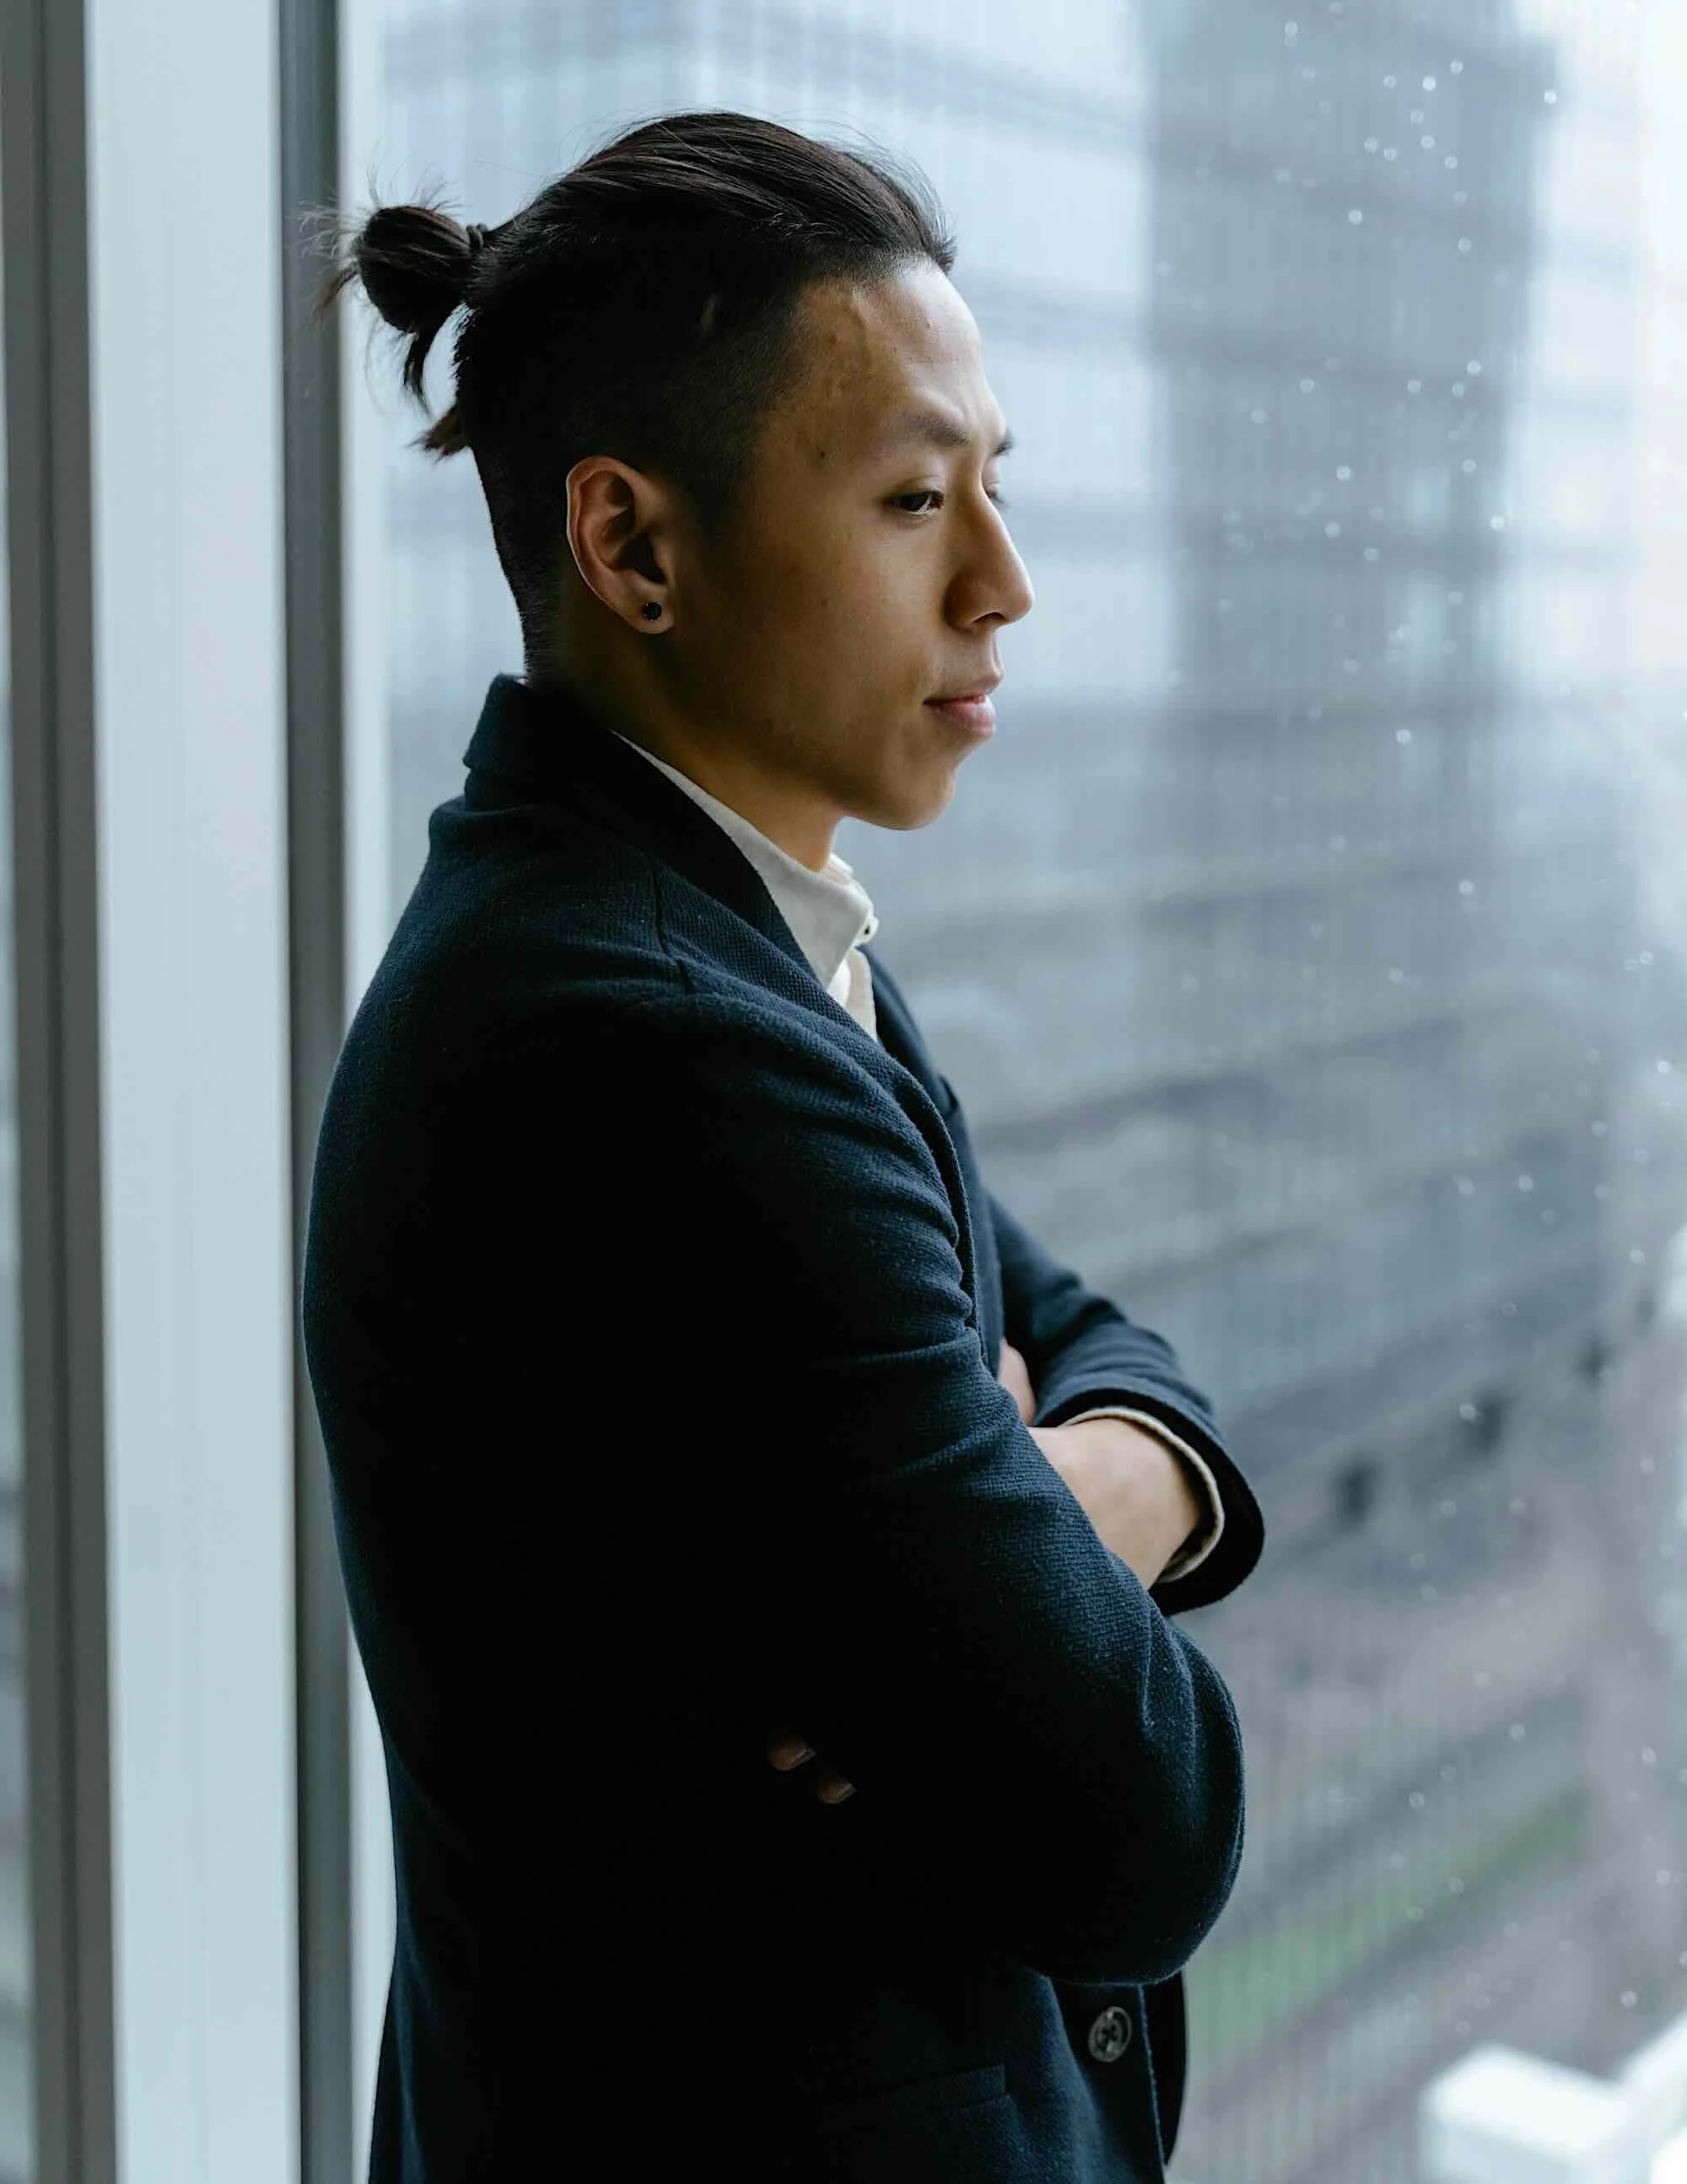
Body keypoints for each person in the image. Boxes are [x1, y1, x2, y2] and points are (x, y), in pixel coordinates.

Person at [304, 107, 1266, 2182]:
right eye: (918, 500)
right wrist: (1030, 1526)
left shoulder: (714, 937)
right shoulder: (649, 1040)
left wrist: (1061, 1485)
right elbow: (1138, 1816)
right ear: (634, 546)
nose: (1005, 585)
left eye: (992, 489)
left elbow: (1082, 1329)